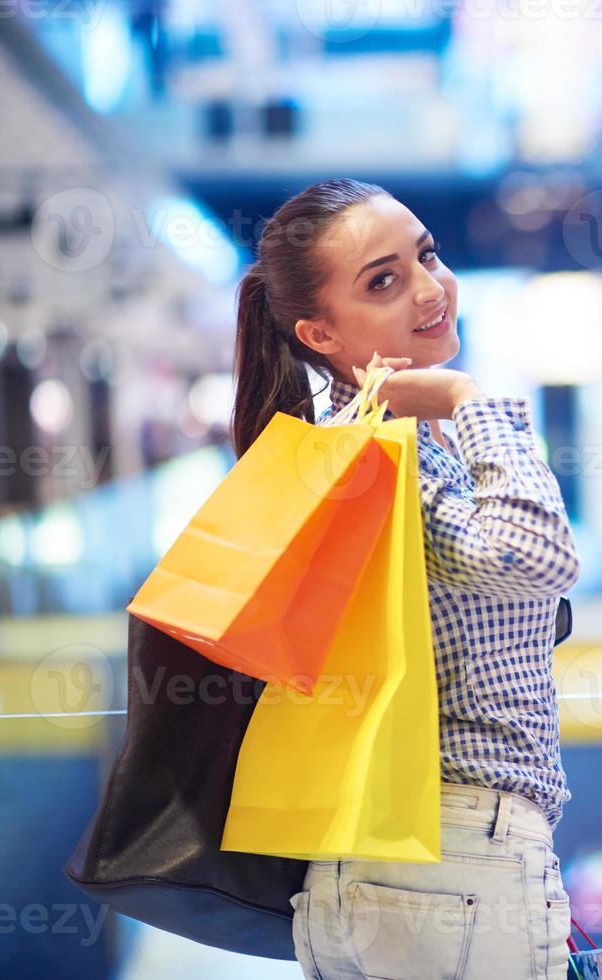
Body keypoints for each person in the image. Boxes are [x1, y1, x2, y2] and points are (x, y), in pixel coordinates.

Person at [230, 179, 579, 980]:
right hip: (453, 858)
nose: (429, 288)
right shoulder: (389, 455)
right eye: (382, 282)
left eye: (426, 255)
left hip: (374, 871)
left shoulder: (359, 455)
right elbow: (539, 557)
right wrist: (470, 398)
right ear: (318, 331)